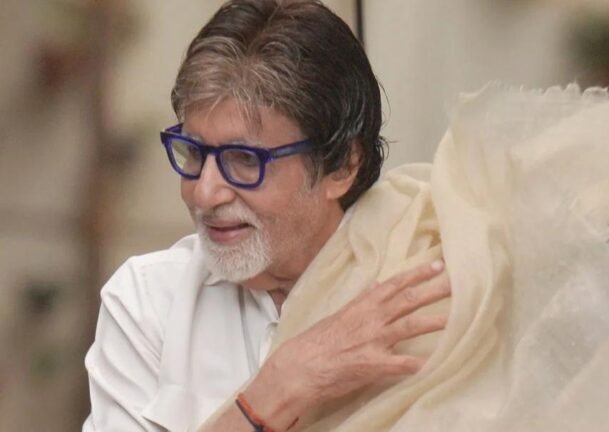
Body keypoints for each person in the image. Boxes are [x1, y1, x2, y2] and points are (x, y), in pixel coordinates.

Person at [83, 1, 451, 431]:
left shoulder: (424, 290)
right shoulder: (148, 301)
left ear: (341, 166)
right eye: (194, 152)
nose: (204, 192)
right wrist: (279, 388)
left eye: (244, 159)